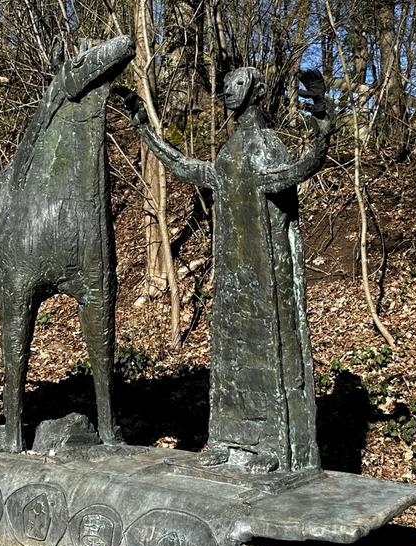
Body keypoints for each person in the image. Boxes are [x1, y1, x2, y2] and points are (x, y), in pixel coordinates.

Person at [124, 68, 335, 472]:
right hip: (232, 274)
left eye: (237, 85)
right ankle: (227, 439)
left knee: (266, 352)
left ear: (254, 90)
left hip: (264, 273)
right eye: (226, 86)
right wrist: (146, 132)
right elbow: (189, 168)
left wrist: (323, 134)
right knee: (228, 355)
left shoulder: (267, 146)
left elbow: (297, 172)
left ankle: (273, 447)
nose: (227, 92)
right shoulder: (230, 152)